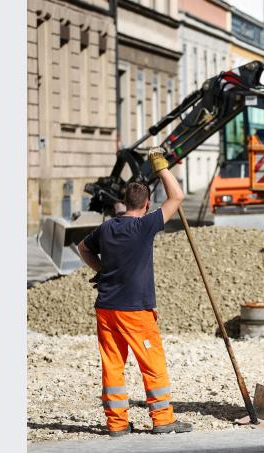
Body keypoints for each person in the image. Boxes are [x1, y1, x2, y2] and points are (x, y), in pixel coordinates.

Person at [77, 151, 192, 437]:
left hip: (106, 308)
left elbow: (82, 248)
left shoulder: (106, 228)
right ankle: (162, 420)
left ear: (125, 203)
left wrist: (101, 270)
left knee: (112, 365)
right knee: (152, 364)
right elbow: (176, 197)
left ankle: (116, 424)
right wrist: (162, 168)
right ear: (147, 205)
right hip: (136, 311)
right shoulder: (144, 226)